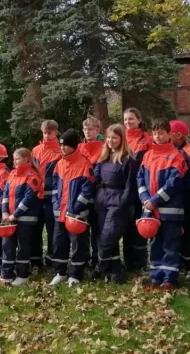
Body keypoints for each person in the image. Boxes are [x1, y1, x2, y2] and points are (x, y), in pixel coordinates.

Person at [137, 119, 189, 289]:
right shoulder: (148, 155)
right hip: (151, 211)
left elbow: (174, 183)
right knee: (155, 244)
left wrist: (154, 200)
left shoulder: (177, 156)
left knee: (170, 245)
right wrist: (145, 198)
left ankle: (169, 279)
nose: (157, 136)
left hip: (170, 211)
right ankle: (156, 277)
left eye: (161, 132)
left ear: (169, 133)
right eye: (154, 133)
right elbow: (140, 179)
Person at [49, 129, 96, 287]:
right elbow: (55, 188)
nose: (63, 148)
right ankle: (60, 272)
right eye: (61, 145)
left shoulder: (84, 164)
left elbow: (87, 189)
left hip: (77, 215)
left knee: (78, 244)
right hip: (60, 213)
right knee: (58, 243)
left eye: (67, 146)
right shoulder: (59, 164)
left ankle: (75, 274)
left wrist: (75, 208)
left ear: (74, 146)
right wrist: (56, 205)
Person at [94, 124, 139, 283]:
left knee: (108, 236)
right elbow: (96, 178)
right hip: (102, 200)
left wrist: (122, 203)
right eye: (108, 137)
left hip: (117, 201)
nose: (110, 140)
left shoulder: (127, 159)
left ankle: (101, 266)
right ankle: (114, 272)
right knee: (105, 238)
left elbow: (130, 185)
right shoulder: (103, 158)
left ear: (121, 139)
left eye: (114, 137)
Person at [1, 148, 43, 286]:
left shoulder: (32, 176)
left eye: (17, 159)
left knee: (22, 247)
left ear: (26, 159)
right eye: (14, 159)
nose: (14, 161)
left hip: (26, 219)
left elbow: (28, 199)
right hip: (11, 217)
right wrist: (4, 212)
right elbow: (5, 194)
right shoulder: (12, 174)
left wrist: (15, 214)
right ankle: (6, 274)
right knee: (7, 245)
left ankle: (22, 275)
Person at [169, 120, 190, 279]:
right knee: (175, 232)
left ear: (179, 135)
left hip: (188, 198)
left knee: (187, 232)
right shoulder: (169, 150)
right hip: (173, 198)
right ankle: (179, 262)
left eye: (170, 132)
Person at [31, 120, 62, 268]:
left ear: (56, 132)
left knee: (53, 231)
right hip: (37, 197)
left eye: (49, 133)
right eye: (44, 132)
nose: (46, 135)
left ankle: (51, 260)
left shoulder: (61, 151)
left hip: (53, 198)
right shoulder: (36, 150)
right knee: (35, 230)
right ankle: (36, 260)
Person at [123, 108, 151, 271]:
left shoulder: (146, 140)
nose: (128, 122)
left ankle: (140, 263)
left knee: (139, 226)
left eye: (131, 119)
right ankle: (128, 262)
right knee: (127, 226)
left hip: (140, 189)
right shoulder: (121, 139)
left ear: (139, 120)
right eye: (125, 119)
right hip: (124, 189)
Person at [79, 116, 104, 271]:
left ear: (98, 130)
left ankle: (97, 258)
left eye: (91, 129)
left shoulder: (103, 147)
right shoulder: (80, 148)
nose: (88, 132)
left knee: (97, 228)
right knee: (82, 227)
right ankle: (84, 258)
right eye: (86, 129)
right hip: (81, 192)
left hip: (98, 192)